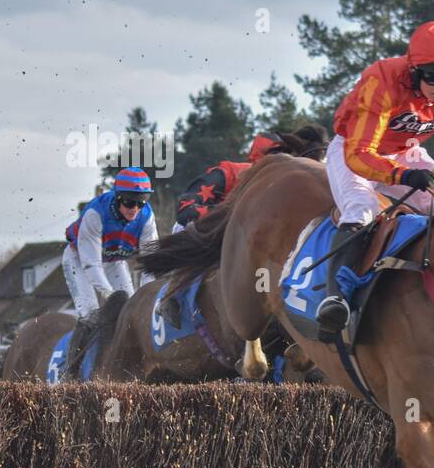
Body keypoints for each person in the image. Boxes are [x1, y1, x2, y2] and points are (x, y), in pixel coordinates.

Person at [315, 20, 434, 340]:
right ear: (414, 71)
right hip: (353, 151)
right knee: (362, 208)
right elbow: (360, 154)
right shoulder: (381, 82)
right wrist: (403, 175)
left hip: (404, 153)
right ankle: (335, 299)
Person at [62, 167, 159, 377]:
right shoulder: (95, 214)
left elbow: (150, 265)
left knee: (130, 309)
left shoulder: (147, 217)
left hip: (114, 261)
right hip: (80, 260)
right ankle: (71, 371)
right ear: (118, 197)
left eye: (141, 202)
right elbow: (91, 265)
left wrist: (145, 300)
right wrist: (110, 296)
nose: (135, 208)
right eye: (129, 202)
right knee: (91, 315)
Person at [173, 133, 281, 234]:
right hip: (192, 237)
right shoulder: (228, 174)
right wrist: (232, 213)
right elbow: (185, 211)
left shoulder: (282, 190)